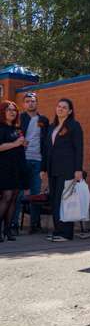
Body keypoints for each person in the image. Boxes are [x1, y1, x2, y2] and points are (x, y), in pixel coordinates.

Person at [41, 98, 84, 242]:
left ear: (70, 111)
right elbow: (46, 149)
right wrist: (43, 168)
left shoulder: (74, 125)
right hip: (53, 169)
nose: (60, 109)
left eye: (64, 107)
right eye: (58, 106)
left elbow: (79, 149)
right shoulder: (52, 127)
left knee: (64, 200)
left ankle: (66, 233)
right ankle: (58, 231)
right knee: (55, 200)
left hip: (68, 169)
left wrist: (78, 169)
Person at [12, 92, 49, 234]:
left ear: (36, 103)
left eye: (33, 101)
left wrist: (45, 164)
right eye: (27, 101)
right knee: (19, 193)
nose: (30, 103)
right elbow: (13, 132)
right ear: (24, 104)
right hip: (23, 159)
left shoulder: (43, 120)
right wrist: (21, 138)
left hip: (38, 161)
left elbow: (46, 141)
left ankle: (35, 225)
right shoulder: (19, 118)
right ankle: (14, 224)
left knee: (36, 194)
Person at [0, 101, 30, 241]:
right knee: (6, 196)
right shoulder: (1, 127)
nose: (12, 112)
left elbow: (18, 145)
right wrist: (15, 144)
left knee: (14, 198)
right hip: (5, 167)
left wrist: (23, 144)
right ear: (3, 112)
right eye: (9, 110)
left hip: (18, 166)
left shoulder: (17, 128)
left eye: (14, 110)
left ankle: (8, 230)